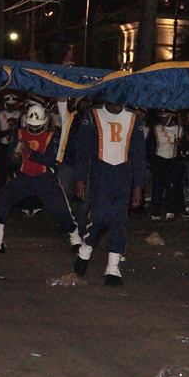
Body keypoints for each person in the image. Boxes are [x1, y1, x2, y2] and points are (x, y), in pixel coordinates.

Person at [0, 103, 81, 254]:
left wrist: (29, 151)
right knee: (0, 202)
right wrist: (15, 156)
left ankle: (75, 239)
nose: (34, 128)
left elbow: (50, 160)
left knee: (61, 211)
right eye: (31, 125)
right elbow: (10, 161)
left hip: (45, 179)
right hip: (24, 177)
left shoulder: (51, 136)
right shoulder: (19, 134)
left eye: (37, 125)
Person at [73, 102, 147, 286]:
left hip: (123, 175)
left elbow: (139, 154)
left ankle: (113, 268)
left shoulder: (133, 118)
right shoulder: (92, 115)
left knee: (119, 221)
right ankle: (85, 250)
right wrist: (80, 179)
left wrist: (138, 186)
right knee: (99, 216)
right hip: (101, 173)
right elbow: (82, 150)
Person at [146, 110, 184, 222]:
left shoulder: (179, 129)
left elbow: (184, 146)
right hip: (159, 159)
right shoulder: (155, 129)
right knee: (157, 186)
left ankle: (170, 211)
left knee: (171, 186)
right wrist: (151, 159)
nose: (162, 119)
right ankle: (155, 212)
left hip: (173, 160)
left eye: (164, 117)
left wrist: (181, 145)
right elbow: (149, 145)